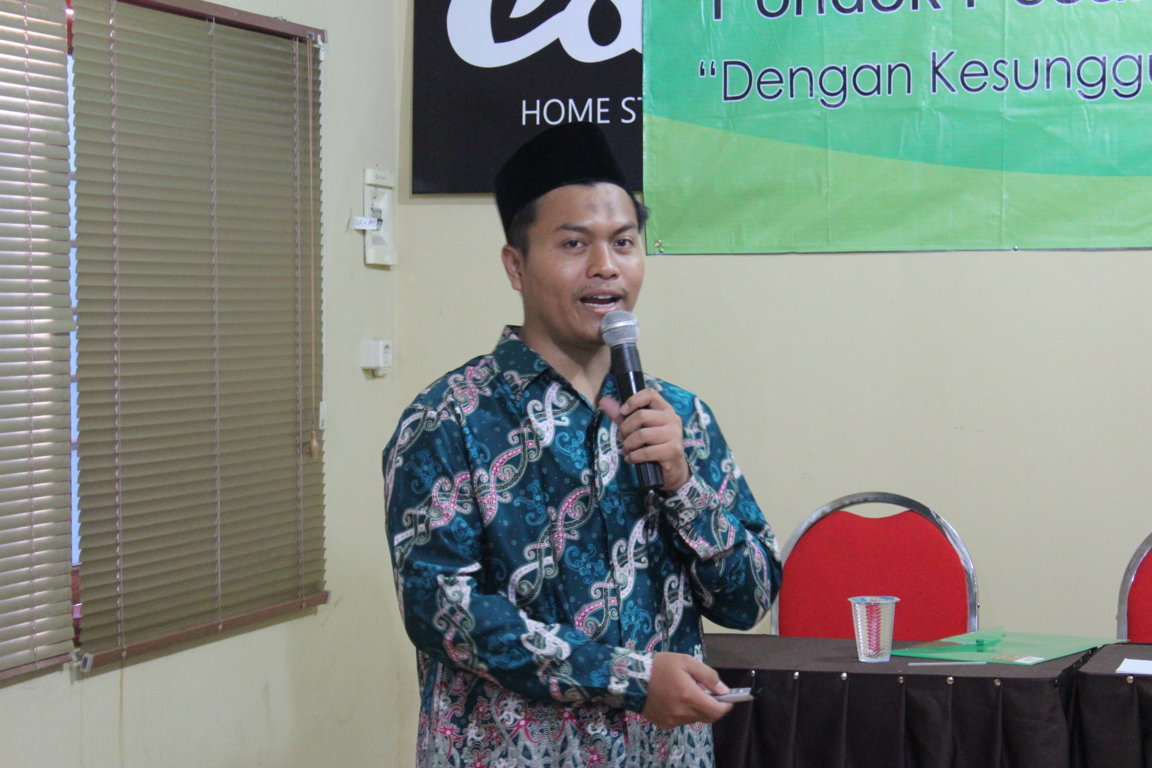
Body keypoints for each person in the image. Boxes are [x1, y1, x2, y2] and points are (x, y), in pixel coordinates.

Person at [383, 122, 782, 768]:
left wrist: (683, 485)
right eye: (574, 243)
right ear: (516, 266)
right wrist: (630, 680)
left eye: (623, 242)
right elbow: (442, 612)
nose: (606, 266)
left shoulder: (681, 417)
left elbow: (750, 600)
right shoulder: (448, 419)